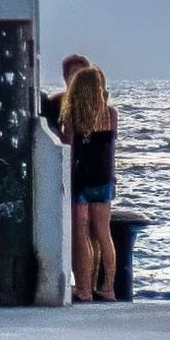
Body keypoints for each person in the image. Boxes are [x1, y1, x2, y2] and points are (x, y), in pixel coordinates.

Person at [59, 58, 121, 303]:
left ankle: (84, 289)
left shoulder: (73, 117)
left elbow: (70, 150)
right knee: (104, 234)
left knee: (82, 233)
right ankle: (109, 287)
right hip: (104, 180)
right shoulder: (111, 115)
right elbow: (111, 149)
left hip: (82, 181)